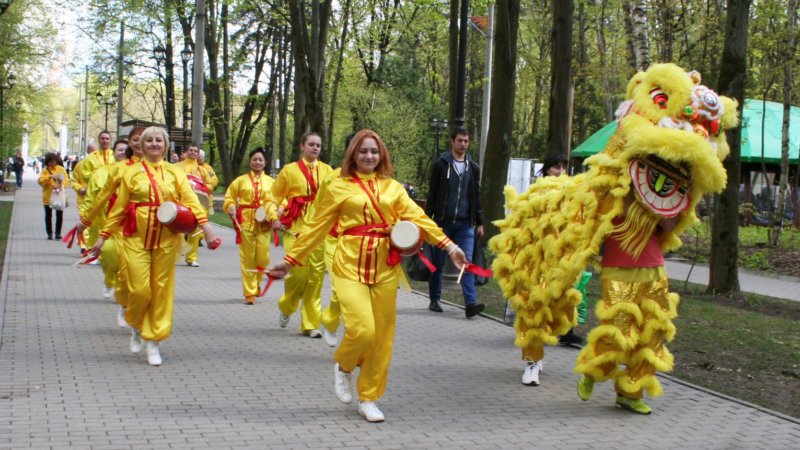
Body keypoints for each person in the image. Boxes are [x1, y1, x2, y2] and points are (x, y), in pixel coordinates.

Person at [268, 129, 467, 422]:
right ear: (353, 155)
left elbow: (418, 217)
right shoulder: (338, 187)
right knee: (363, 329)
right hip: (349, 264)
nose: (369, 156)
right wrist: (289, 260)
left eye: (374, 151)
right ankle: (344, 365)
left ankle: (369, 397)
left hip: (385, 267)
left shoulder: (393, 188)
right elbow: (315, 227)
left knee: (382, 337)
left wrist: (449, 246)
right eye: (363, 151)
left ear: (382, 154)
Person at [91, 126, 220, 366]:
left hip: (167, 238)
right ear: (140, 145)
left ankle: (153, 340)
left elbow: (191, 201)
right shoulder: (131, 173)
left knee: (161, 290)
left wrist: (207, 228)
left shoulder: (175, 173)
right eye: (148, 140)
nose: (153, 144)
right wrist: (102, 237)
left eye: (158, 140)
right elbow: (118, 208)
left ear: (166, 144)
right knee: (139, 290)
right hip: (135, 237)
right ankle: (137, 324)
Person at [79, 126, 146, 328]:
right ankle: (120, 295)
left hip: (146, 229)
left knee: (136, 273)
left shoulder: (161, 168)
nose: (139, 143)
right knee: (109, 254)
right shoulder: (116, 169)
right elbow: (100, 196)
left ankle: (132, 309)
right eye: (135, 139)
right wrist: (85, 220)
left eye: (143, 139)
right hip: (117, 224)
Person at [268, 132, 333, 338]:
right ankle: (287, 306)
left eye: (318, 145)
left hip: (319, 230)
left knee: (315, 279)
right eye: (311, 144)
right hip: (295, 229)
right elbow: (273, 196)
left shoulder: (328, 171)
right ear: (302, 146)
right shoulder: (289, 170)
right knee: (298, 275)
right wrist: (273, 216)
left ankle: (310, 324)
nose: (315, 148)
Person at [425, 126, 485, 318]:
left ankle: (470, 303)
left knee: (466, 262)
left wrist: (480, 221)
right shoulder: (440, 165)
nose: (463, 144)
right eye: (459, 140)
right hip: (443, 223)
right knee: (438, 261)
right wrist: (427, 222)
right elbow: (432, 194)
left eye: (466, 141)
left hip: (465, 223)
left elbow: (476, 195)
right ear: (452, 141)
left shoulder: (472, 167)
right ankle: (435, 299)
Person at [222, 147, 276, 305]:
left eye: (260, 159)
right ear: (249, 161)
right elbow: (229, 197)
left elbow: (280, 199)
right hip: (245, 223)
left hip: (264, 224)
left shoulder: (271, 182)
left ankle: (257, 282)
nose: (258, 162)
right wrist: (230, 206)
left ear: (265, 162)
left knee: (263, 258)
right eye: (255, 159)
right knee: (247, 259)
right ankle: (250, 292)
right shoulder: (240, 181)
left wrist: (279, 208)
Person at [83, 139, 129, 300]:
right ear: (113, 153)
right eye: (119, 150)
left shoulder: (136, 171)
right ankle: (110, 281)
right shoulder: (101, 173)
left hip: (128, 226)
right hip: (104, 225)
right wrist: (85, 219)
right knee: (110, 258)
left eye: (125, 149)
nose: (122, 152)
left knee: (127, 262)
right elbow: (91, 199)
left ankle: (123, 292)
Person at [175, 143, 215, 267]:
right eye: (190, 150)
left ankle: (191, 257)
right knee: (177, 229)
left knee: (195, 230)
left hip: (196, 203)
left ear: (198, 154)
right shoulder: (175, 167)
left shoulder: (202, 170)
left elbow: (211, 185)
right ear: (186, 152)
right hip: (180, 202)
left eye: (195, 151)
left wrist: (200, 186)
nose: (193, 153)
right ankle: (175, 254)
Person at [38, 152, 70, 240]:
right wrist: (49, 177)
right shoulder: (45, 170)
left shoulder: (61, 169)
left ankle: (58, 233)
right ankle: (49, 233)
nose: (52, 163)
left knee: (59, 215)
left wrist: (60, 184)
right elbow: (41, 181)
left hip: (59, 195)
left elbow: (67, 180)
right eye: (50, 162)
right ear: (47, 162)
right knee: (48, 216)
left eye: (54, 161)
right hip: (48, 197)